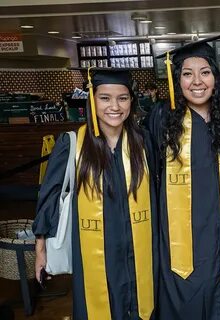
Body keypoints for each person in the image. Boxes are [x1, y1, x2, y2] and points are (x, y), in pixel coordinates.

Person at [33, 68, 159, 319]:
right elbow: (49, 198)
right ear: (92, 99)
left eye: (122, 98)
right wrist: (40, 251)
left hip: (140, 250)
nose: (114, 106)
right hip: (96, 251)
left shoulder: (143, 142)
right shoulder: (72, 144)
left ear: (131, 101)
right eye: (105, 98)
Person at [149, 34, 220, 319]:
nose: (197, 81)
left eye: (204, 72)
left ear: (215, 78)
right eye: (187, 74)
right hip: (183, 242)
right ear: (177, 80)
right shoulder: (162, 120)